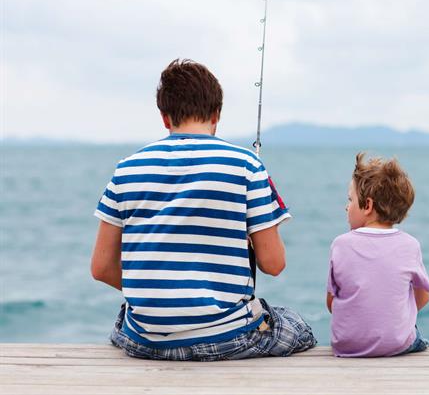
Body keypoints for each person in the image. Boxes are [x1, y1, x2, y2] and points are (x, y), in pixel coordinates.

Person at [91, 58, 316, 360]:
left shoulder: (126, 168)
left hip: (144, 340)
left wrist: (162, 295)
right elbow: (274, 264)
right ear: (216, 114)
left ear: (164, 117)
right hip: (225, 339)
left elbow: (101, 267)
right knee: (296, 325)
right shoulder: (247, 165)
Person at [326, 152, 429, 357]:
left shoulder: (340, 244)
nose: (346, 206)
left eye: (350, 199)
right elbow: (424, 296)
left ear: (367, 205)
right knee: (416, 336)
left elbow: (331, 303)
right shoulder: (410, 245)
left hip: (346, 345)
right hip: (396, 344)